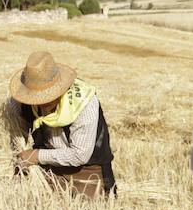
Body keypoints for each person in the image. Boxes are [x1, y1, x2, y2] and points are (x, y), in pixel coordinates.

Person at [10, 51, 115, 198]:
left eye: (47, 96)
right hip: (47, 165)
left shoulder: (84, 103)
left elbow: (80, 155)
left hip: (86, 170)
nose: (41, 102)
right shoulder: (22, 100)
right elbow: (13, 123)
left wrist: (36, 156)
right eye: (36, 97)